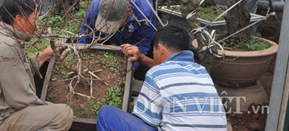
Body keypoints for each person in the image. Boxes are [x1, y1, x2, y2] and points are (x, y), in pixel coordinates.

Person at [0, 0, 73, 131]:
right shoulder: (7, 46)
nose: (37, 24)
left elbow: (18, 72)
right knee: (63, 114)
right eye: (35, 19)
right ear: (19, 19)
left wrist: (43, 56)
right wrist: (48, 108)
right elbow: (19, 99)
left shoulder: (2, 34)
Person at [96, 24, 228, 131]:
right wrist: (141, 58)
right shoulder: (202, 72)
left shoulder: (157, 73)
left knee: (106, 113)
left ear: (160, 48)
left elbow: (146, 123)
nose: (153, 55)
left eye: (153, 51)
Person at [78, 0, 157, 78]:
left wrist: (132, 65)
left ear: (128, 13)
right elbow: (86, 36)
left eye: (113, 24)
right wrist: (77, 54)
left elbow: (143, 42)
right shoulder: (95, 8)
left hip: (133, 28)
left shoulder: (144, 13)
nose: (108, 28)